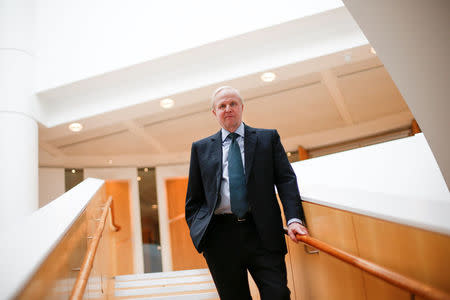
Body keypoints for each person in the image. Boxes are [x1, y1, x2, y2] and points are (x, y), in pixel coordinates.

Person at [185, 86, 308, 300]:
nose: (228, 108)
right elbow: (194, 198)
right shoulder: (201, 148)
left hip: (262, 232)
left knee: (278, 294)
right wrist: (201, 232)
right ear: (214, 113)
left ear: (242, 107)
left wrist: (294, 219)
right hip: (220, 237)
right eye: (222, 106)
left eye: (233, 104)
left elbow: (286, 180)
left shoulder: (267, 139)